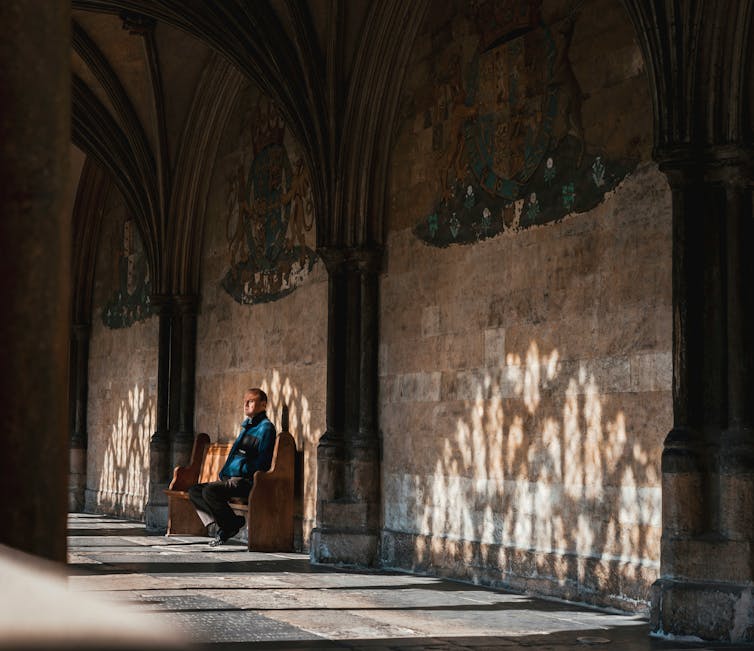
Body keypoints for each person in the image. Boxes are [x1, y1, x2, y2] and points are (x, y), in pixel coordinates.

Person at [188, 388, 276, 546]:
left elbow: (262, 463)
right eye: (245, 401)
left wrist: (239, 469)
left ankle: (229, 525)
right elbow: (234, 455)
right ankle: (230, 524)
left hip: (247, 481)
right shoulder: (247, 427)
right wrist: (224, 472)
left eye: (251, 401)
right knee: (194, 490)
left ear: (263, 405)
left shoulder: (266, 429)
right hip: (232, 479)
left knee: (209, 491)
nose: (246, 404)